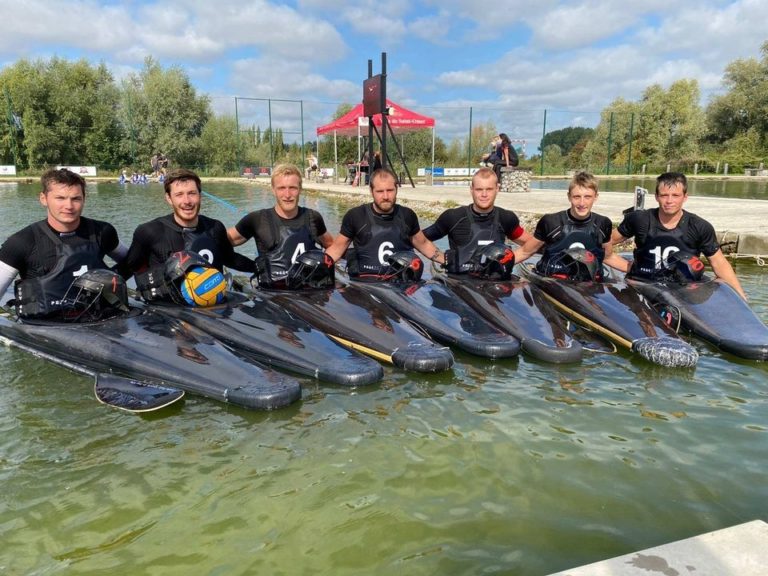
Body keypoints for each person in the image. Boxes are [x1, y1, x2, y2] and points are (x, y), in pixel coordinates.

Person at [0, 168, 128, 318]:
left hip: (101, 319)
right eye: (60, 198)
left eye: (76, 199)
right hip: (46, 328)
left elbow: (131, 262)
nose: (69, 206)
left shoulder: (103, 231)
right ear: (43, 199)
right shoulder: (21, 242)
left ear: (84, 199)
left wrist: (111, 281)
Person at [611, 171, 747, 300]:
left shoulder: (699, 226)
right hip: (642, 283)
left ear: (685, 197)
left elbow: (719, 263)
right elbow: (606, 242)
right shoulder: (639, 219)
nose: (669, 201)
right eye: (664, 195)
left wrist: (741, 298)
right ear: (656, 197)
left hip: (683, 288)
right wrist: (628, 267)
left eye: (675, 195)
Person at [121, 168, 254, 277]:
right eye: (179, 195)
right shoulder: (149, 232)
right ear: (169, 198)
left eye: (192, 193)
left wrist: (261, 267)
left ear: (200, 195)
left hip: (213, 305)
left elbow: (230, 259)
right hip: (169, 307)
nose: (187, 201)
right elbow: (128, 268)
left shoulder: (215, 227)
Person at [227, 164, 333, 288]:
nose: (287, 195)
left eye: (292, 188)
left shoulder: (313, 217)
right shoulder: (256, 219)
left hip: (308, 294)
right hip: (272, 295)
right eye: (281, 188)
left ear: (300, 189)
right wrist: (251, 266)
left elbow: (332, 245)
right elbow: (221, 241)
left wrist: (323, 266)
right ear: (273, 190)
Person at [325, 167, 444, 277]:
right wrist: (317, 264)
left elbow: (423, 244)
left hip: (401, 282)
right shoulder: (355, 216)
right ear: (371, 191)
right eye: (380, 191)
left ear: (396, 189)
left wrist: (447, 260)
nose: (386, 196)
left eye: (390, 190)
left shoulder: (407, 215)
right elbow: (336, 249)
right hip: (365, 283)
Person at [514, 171, 628, 279]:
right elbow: (526, 251)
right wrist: (500, 264)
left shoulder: (603, 223)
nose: (582, 203)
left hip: (589, 281)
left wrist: (633, 269)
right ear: (569, 197)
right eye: (576, 197)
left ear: (596, 197)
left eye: (587, 197)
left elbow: (608, 256)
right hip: (553, 281)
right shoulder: (550, 222)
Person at [422, 167, 532, 275]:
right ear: (471, 190)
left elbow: (531, 243)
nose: (484, 195)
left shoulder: (506, 218)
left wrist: (508, 260)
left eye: (489, 189)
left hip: (494, 281)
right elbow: (420, 240)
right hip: (459, 283)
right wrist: (444, 259)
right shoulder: (453, 217)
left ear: (497, 189)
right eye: (479, 189)